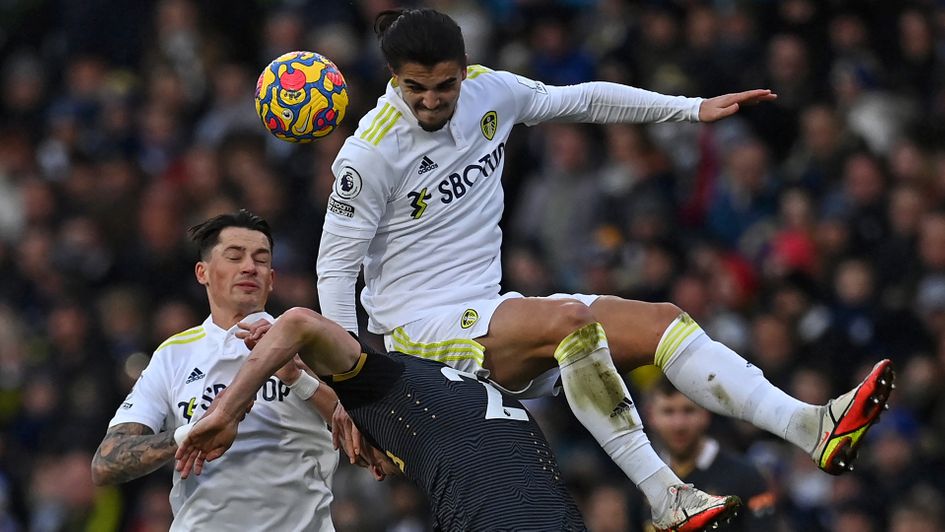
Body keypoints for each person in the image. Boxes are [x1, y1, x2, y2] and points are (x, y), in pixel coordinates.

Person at [315, 6, 895, 528]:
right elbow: (335, 272)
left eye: (444, 86)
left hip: (486, 314)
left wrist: (690, 110)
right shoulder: (369, 155)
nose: (430, 101)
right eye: (415, 89)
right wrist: (353, 394)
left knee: (662, 321)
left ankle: (810, 426)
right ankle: (664, 494)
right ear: (394, 79)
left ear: (465, 71)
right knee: (570, 320)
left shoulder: (492, 93)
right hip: (417, 341)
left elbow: (584, 100)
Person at [174, 306, 589, 531]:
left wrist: (226, 410)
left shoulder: (392, 387)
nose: (376, 473)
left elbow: (299, 322)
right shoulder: (457, 396)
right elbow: (353, 418)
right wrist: (298, 378)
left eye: (363, 456)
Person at [91, 210, 340, 531]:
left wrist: (297, 377)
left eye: (261, 260)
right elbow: (106, 463)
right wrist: (191, 434)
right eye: (235, 256)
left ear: (272, 279)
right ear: (202, 272)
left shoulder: (308, 339)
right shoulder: (173, 354)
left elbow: (367, 432)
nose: (250, 266)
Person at [642, 377, 778, 532]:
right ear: (651, 416)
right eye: (668, 412)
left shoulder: (748, 477)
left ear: (706, 413)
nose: (679, 424)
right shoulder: (642, 482)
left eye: (688, 410)